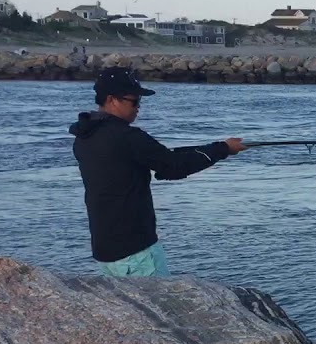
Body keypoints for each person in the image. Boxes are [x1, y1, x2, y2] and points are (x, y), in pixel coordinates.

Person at [70, 67, 246, 276]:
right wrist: (223, 149)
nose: (138, 108)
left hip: (106, 250)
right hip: (135, 251)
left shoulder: (84, 137)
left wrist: (215, 147)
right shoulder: (127, 137)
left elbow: (161, 159)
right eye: (133, 101)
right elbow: (173, 166)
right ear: (112, 99)